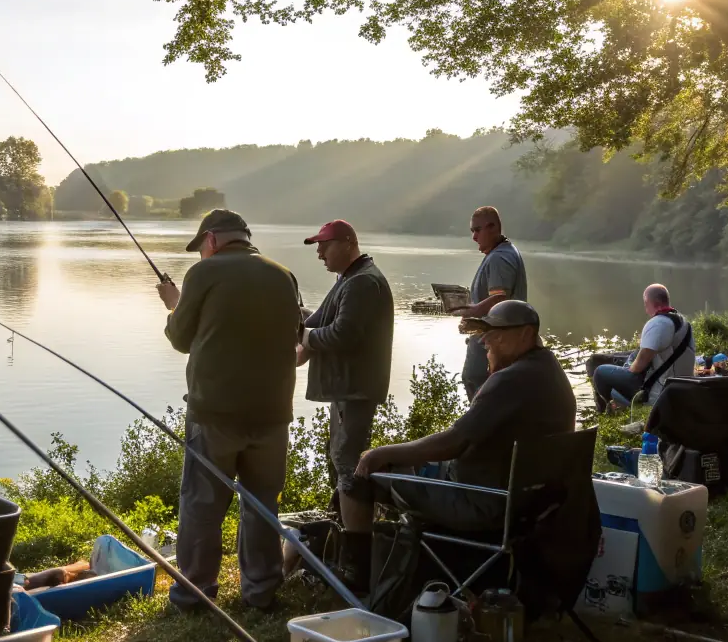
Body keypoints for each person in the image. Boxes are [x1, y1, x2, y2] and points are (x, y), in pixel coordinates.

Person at [156, 209, 301, 612]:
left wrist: (173, 304)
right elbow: (294, 335)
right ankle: (262, 591)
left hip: (215, 413)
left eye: (201, 246)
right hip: (273, 415)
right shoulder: (283, 276)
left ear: (213, 239)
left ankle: (195, 594)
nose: (201, 254)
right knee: (261, 504)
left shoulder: (204, 274)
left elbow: (180, 338)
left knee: (202, 506)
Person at [352, 300, 574, 491]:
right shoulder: (547, 368)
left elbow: (454, 442)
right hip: (525, 498)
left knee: (358, 484)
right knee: (408, 462)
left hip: (482, 500)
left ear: (525, 334)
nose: (483, 340)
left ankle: (357, 540)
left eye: (493, 333)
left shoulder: (510, 380)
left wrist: (379, 453)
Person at [295, 219, 393, 591]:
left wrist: (304, 336)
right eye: (317, 246)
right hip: (346, 390)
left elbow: (343, 333)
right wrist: (293, 321)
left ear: (349, 242)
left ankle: (357, 571)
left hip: (355, 391)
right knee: (341, 460)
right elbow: (318, 321)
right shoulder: (348, 279)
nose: (319, 252)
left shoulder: (364, 282)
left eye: (325, 245)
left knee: (350, 468)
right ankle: (346, 552)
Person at [454, 206, 528, 398]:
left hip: (493, 346)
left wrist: (473, 311)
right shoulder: (502, 252)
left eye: (477, 230)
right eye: (472, 231)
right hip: (493, 343)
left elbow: (500, 299)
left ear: (493, 227)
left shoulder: (499, 258)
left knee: (481, 390)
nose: (474, 237)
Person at [589, 284, 695, 413]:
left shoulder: (659, 323)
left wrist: (627, 368)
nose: (646, 310)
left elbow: (637, 367)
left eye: (645, 305)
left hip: (660, 393)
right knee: (629, 358)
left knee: (600, 372)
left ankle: (610, 407)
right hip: (683, 386)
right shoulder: (682, 322)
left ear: (648, 302)